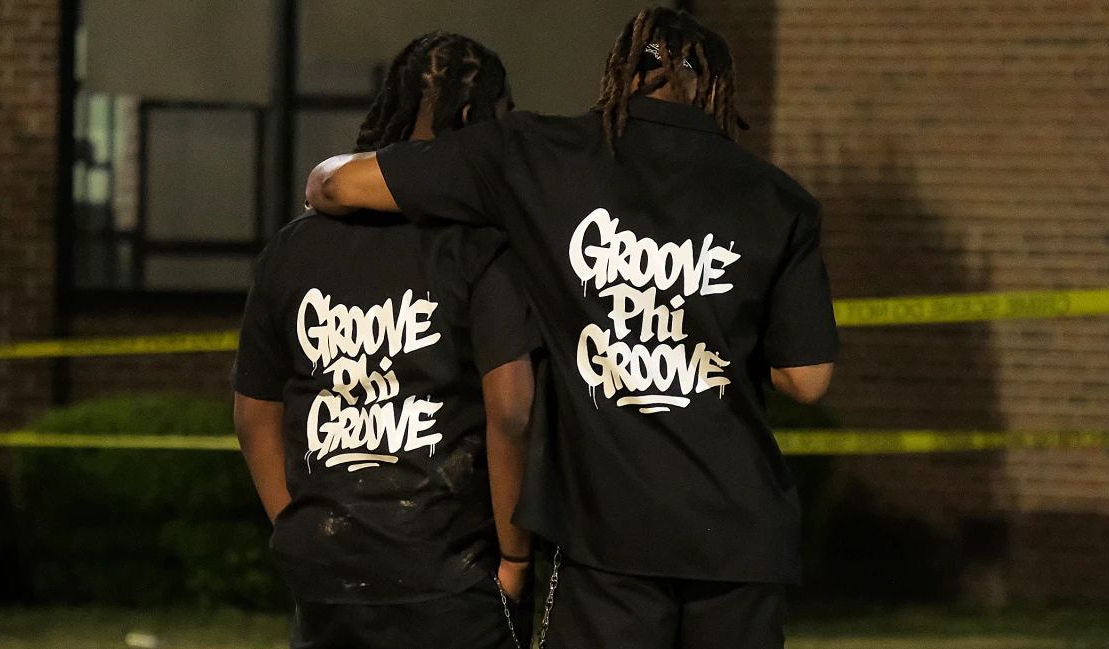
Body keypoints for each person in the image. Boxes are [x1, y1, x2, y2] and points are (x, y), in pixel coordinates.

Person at [306, 8, 839, 648]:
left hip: (607, 533)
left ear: (622, 73)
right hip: (740, 535)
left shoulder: (536, 154)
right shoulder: (779, 199)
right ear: (712, 87)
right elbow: (806, 380)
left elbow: (337, 188)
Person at [233, 32, 539, 649]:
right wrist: (515, 558)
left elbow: (252, 415)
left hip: (327, 572)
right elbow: (512, 409)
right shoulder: (480, 247)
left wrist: (297, 526)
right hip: (451, 571)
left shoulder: (293, 247)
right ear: (474, 119)